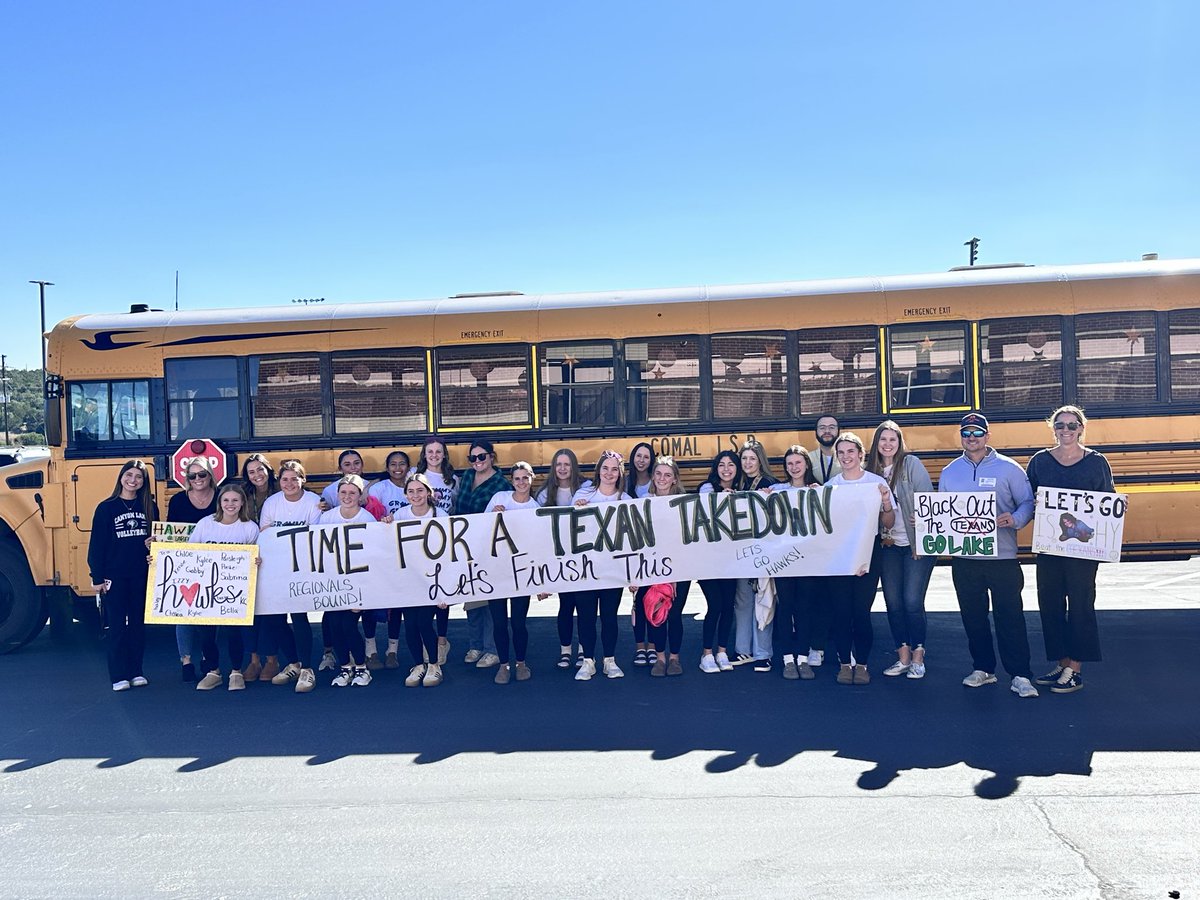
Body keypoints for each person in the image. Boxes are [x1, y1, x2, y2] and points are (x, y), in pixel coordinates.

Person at [940, 413, 1039, 699]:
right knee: (973, 617)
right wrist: (922, 523)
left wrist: (1016, 519)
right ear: (961, 436)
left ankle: (1020, 674)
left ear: (988, 436)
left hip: (1003, 558)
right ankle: (983, 668)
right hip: (965, 559)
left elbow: (1027, 502)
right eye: (966, 433)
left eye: (977, 433)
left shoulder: (1009, 468)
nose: (972, 438)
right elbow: (944, 513)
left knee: (1010, 617)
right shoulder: (950, 472)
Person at [1026, 405, 1115, 694]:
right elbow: (1029, 499)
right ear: (1053, 428)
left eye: (1071, 425)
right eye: (1060, 425)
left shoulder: (1096, 462)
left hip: (1084, 552)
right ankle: (1062, 663)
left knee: (1080, 605)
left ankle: (1075, 668)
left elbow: (1108, 501)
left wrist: (1118, 507)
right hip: (1050, 548)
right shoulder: (1040, 461)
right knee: (1050, 605)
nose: (1066, 430)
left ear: (1081, 428)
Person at [866, 421, 936, 680]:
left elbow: (928, 499)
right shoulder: (869, 471)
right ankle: (903, 655)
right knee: (893, 603)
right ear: (876, 443)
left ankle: (918, 654)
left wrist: (922, 519)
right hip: (888, 546)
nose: (887, 444)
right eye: (882, 440)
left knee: (911, 601)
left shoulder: (911, 464)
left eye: (892, 440)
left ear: (899, 442)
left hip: (916, 544)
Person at [827, 432, 895, 686]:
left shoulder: (875, 483)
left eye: (850, 452)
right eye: (841, 452)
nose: (846, 457)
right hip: (839, 556)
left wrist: (886, 502)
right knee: (841, 613)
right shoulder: (831, 486)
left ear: (861, 454)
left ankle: (863, 664)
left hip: (868, 553)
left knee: (861, 612)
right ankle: (845, 663)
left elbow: (888, 523)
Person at [88, 460, 153, 692]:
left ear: (144, 482)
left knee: (137, 625)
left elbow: (158, 540)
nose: (133, 480)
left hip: (140, 574)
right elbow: (97, 545)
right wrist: (97, 577)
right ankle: (118, 675)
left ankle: (136, 671)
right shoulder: (107, 508)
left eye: (138, 477)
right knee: (116, 626)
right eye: (129, 475)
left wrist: (152, 546)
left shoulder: (148, 506)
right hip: (114, 575)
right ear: (121, 477)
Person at [258, 459, 323, 693]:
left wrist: (281, 534)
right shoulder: (272, 502)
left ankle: (307, 669)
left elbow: (313, 535)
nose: (289, 483)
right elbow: (264, 533)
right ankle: (293, 662)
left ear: (302, 480)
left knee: (299, 617)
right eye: (284, 479)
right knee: (275, 618)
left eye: (294, 478)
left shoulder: (314, 502)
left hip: (301, 568)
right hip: (276, 567)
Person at [191, 483, 261, 692]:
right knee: (206, 634)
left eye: (235, 500)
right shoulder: (205, 524)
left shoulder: (250, 527)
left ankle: (236, 671)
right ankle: (213, 671)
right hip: (206, 590)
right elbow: (188, 552)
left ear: (242, 503)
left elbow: (258, 554)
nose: (230, 504)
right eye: (226, 500)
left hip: (235, 591)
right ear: (220, 502)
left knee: (233, 633)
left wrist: (257, 561)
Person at [572, 451, 633, 681]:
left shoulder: (625, 501)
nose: (609, 473)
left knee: (609, 616)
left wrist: (632, 575)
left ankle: (609, 660)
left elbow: (632, 541)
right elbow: (569, 531)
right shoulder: (583, 495)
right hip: (585, 569)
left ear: (620, 473)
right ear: (598, 470)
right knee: (586, 616)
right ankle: (588, 660)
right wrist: (576, 509)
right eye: (605, 468)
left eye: (614, 469)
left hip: (612, 570)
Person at [454, 439, 511, 669]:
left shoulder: (502, 484)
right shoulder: (467, 477)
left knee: (489, 599)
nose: (477, 461)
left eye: (481, 457)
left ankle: (491, 648)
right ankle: (476, 644)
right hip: (466, 545)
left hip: (491, 548)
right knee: (472, 598)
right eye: (473, 457)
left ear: (491, 457)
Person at [316, 475, 378, 688]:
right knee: (334, 625)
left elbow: (374, 555)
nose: (347, 496)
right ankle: (345, 667)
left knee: (349, 625)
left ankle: (361, 668)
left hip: (358, 583)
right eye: (343, 492)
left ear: (360, 495)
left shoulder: (367, 519)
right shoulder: (327, 518)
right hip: (332, 582)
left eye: (352, 492)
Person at [534, 448, 592, 668]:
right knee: (566, 604)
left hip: (584, 554)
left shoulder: (586, 489)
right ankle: (565, 650)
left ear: (574, 466)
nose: (562, 468)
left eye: (567, 464)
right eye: (558, 464)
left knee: (584, 604)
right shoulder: (544, 493)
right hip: (558, 556)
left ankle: (584, 650)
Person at [633, 457, 690, 677]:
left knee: (675, 615)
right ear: (653, 477)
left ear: (674, 479)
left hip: (680, 568)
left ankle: (674, 659)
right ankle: (659, 658)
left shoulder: (685, 504)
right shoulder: (642, 503)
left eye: (667, 475)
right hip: (652, 568)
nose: (662, 479)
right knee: (655, 612)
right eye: (658, 474)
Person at [771, 446, 821, 680]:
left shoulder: (818, 491)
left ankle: (803, 657)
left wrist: (821, 495)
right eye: (789, 464)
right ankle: (787, 659)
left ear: (806, 465)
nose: (794, 467)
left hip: (809, 561)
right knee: (785, 608)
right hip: (784, 561)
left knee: (805, 609)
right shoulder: (778, 490)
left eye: (798, 463)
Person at [488, 462, 541, 684]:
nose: (521, 482)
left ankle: (520, 663)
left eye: (524, 478)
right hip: (496, 570)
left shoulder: (534, 507)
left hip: (522, 573)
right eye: (517, 478)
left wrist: (539, 581)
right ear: (512, 480)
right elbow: (481, 530)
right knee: (499, 622)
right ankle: (503, 665)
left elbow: (539, 544)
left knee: (518, 622)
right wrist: (492, 515)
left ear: (532, 479)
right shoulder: (500, 498)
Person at [165, 457, 217, 683]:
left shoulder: (221, 496)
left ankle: (208, 656)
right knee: (184, 612)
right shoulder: (178, 500)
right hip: (185, 563)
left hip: (216, 562)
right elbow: (170, 531)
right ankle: (186, 661)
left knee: (211, 613)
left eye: (202, 474)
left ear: (210, 476)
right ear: (186, 479)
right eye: (192, 476)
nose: (198, 479)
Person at [394, 473, 445, 688]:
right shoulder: (399, 515)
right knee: (411, 625)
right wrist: (386, 524)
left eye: (420, 490)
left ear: (428, 493)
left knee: (424, 622)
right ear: (406, 494)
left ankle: (434, 664)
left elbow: (450, 553)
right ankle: (418, 665)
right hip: (408, 579)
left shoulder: (440, 515)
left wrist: (446, 589)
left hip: (433, 579)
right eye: (411, 491)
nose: (416, 495)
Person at [733, 440, 778, 672]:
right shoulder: (738, 483)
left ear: (760, 460)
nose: (747, 463)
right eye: (744, 458)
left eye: (752, 458)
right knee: (742, 601)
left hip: (763, 550)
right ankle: (742, 650)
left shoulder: (770, 483)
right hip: (741, 550)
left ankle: (763, 653)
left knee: (764, 599)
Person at [697, 450, 742, 674]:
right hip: (707, 560)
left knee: (727, 606)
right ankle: (706, 653)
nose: (726, 469)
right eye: (721, 465)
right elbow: (706, 507)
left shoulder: (743, 492)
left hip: (731, 560)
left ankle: (722, 651)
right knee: (714, 605)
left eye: (731, 465)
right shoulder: (707, 488)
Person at [240, 453, 281, 684]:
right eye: (251, 472)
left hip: (276, 559)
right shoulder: (243, 495)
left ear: (268, 470)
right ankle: (254, 660)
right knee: (249, 611)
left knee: (271, 612)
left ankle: (272, 659)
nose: (256, 475)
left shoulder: (280, 491)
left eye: (260, 470)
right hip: (249, 557)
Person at [416, 436, 458, 662]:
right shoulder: (417, 475)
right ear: (424, 454)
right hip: (418, 541)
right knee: (423, 590)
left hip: (443, 540)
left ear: (444, 454)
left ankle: (442, 640)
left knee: (443, 593)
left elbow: (455, 508)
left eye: (438, 451)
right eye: (430, 451)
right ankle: (426, 640)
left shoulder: (452, 480)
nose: (434, 455)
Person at [369, 450, 412, 668]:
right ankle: (371, 650)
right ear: (387, 468)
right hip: (380, 552)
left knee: (397, 604)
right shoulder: (379, 488)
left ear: (408, 466)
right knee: (371, 602)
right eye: (393, 464)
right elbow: (367, 509)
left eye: (402, 464)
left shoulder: (414, 486)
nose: (397, 468)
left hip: (404, 554)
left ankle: (392, 650)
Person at [804, 414, 841, 669]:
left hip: (842, 535)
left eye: (831, 427)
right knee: (816, 593)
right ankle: (816, 644)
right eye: (822, 427)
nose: (826, 431)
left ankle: (841, 645)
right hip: (814, 535)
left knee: (839, 593)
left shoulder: (848, 457)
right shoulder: (808, 459)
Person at [626, 441, 657, 664]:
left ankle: (653, 645)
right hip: (631, 546)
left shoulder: (657, 483)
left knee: (653, 597)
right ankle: (639, 646)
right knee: (638, 598)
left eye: (646, 457)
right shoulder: (625, 484)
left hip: (654, 546)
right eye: (638, 456)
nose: (642, 460)